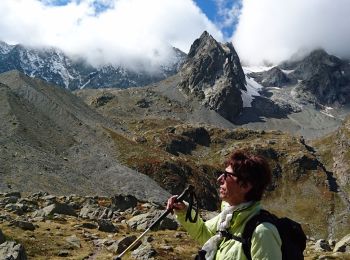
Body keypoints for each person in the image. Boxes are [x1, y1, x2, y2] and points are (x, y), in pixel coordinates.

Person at [167, 150, 282, 260]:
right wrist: (184, 211)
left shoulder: (263, 233)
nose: (219, 179)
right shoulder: (229, 216)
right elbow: (204, 232)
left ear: (245, 186)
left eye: (227, 175)